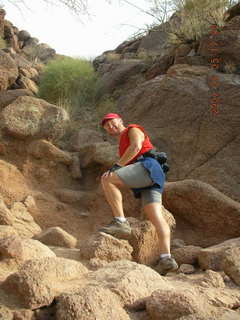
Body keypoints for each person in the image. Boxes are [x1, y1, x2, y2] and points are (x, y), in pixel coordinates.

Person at [99, 113, 178, 276]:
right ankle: (166, 258)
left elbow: (136, 146)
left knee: (107, 179)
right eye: (107, 126)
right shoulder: (121, 143)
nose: (110, 126)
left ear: (120, 120)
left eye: (112, 122)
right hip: (154, 175)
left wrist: (116, 166)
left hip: (147, 167)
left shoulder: (132, 129)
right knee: (155, 216)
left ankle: (120, 222)